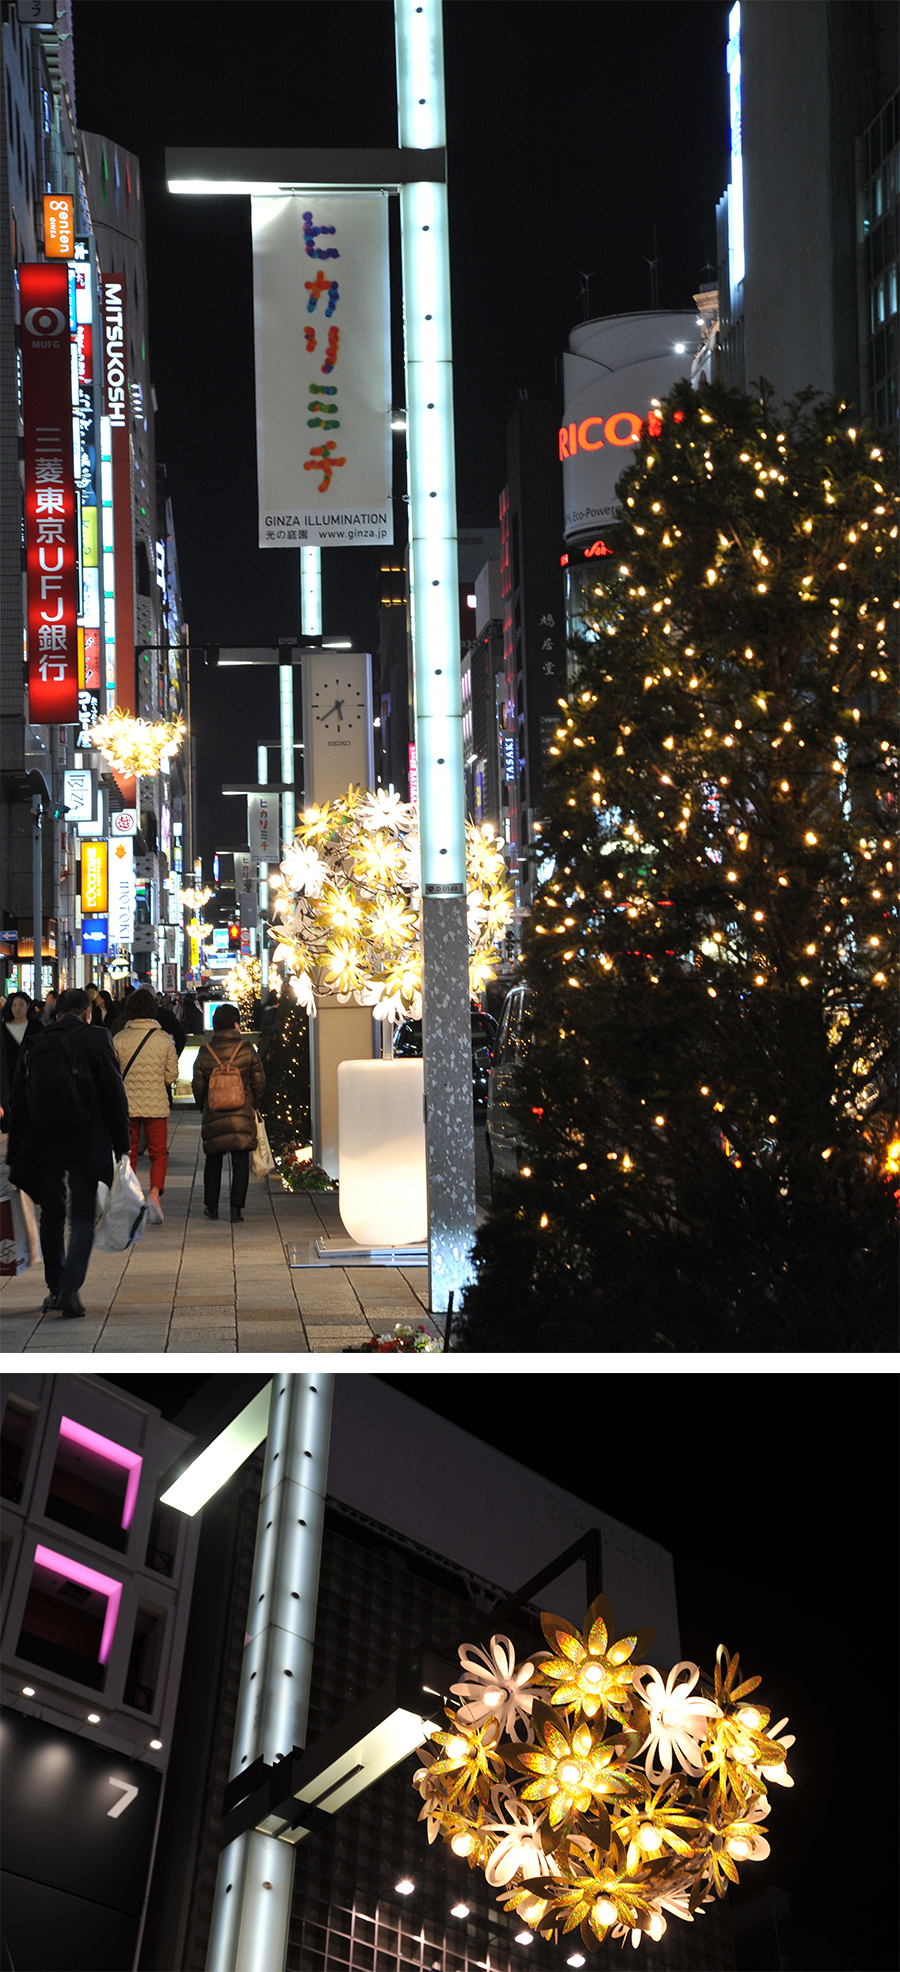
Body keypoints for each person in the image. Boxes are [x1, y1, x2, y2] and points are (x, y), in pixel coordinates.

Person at [7, 986, 130, 1318]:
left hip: (43, 1141)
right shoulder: (96, 1038)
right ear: (87, 1013)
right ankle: (69, 1290)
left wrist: (14, 1153)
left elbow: (19, 1100)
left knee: (52, 1215)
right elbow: (113, 1092)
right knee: (81, 1218)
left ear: (57, 1014)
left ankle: (56, 1285)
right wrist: (123, 1144)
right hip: (86, 1138)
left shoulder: (37, 1043)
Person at [192, 1002, 265, 1222]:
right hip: (241, 1114)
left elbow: (198, 1085)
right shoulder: (247, 1050)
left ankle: (211, 1207)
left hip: (214, 1113)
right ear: (236, 1024)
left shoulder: (205, 1052)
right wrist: (251, 1103)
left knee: (213, 1161)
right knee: (240, 1161)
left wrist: (204, 1105)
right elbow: (259, 1082)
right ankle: (236, 1209)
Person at [113, 986, 179, 1225]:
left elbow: (114, 1074)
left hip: (127, 1106)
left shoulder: (119, 1038)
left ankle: (129, 1199)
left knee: (127, 1153)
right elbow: (172, 1076)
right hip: (156, 1106)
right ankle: (154, 1193)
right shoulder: (163, 1039)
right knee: (158, 1153)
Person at [1, 994, 44, 1098]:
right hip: (7, 1076)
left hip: (31, 1076)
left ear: (28, 1005)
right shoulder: (3, 1028)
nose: (17, 1008)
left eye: (21, 1004)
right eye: (14, 1005)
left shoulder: (36, 1026)